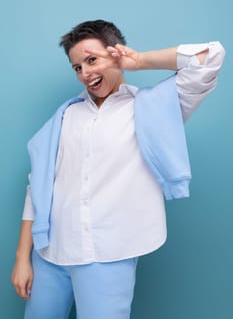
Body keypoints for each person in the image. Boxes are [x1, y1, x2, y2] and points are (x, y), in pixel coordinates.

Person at [11, 19, 225, 319]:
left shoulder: (154, 107)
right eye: (77, 67)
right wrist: (23, 257)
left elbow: (210, 56)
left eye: (91, 60)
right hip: (49, 253)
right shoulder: (65, 117)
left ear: (116, 54)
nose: (85, 73)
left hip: (107, 255)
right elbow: (39, 185)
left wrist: (140, 61)